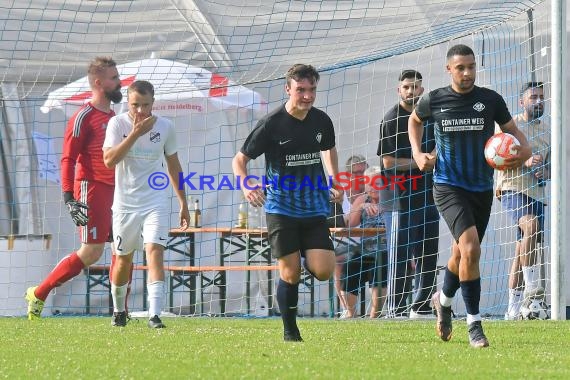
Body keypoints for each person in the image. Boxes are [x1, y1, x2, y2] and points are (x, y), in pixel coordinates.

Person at [408, 44, 532, 348]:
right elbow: (414, 120)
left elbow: (513, 130)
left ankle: (443, 301)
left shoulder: (489, 100)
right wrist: (418, 153)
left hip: (480, 187)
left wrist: (524, 151)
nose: (467, 73)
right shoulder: (434, 99)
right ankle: (475, 324)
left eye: (471, 67)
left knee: (460, 255)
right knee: (471, 248)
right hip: (448, 186)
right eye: (460, 68)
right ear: (449, 69)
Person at [232, 64, 343, 341]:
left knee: (324, 270)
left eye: (312, 90)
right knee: (290, 273)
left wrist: (334, 179)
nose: (307, 96)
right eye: (301, 90)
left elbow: (328, 148)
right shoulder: (271, 124)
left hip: (315, 207)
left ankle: (300, 254)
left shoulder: (321, 120)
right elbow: (239, 160)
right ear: (288, 89)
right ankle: (290, 330)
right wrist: (246, 184)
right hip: (281, 209)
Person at [25, 57, 131, 319]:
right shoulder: (83, 116)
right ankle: (39, 293)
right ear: (98, 82)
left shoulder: (115, 117)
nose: (120, 82)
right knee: (92, 252)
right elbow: (67, 159)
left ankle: (121, 311)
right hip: (91, 188)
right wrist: (69, 196)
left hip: (117, 191)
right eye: (114, 78)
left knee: (123, 248)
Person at [103, 80, 190, 328]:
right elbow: (109, 161)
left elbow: (174, 166)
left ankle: (154, 315)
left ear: (153, 103)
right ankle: (120, 311)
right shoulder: (117, 123)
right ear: (127, 103)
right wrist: (135, 134)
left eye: (145, 105)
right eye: (135, 105)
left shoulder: (165, 126)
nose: (140, 111)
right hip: (125, 204)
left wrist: (182, 201)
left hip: (155, 200)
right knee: (123, 259)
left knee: (155, 251)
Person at [378, 69, 440, 319]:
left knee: (428, 251)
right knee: (400, 254)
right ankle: (396, 308)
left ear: (422, 90)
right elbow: (388, 163)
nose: (411, 91)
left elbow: (438, 147)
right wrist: (420, 161)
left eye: (415, 87)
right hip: (398, 198)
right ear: (399, 90)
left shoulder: (430, 117)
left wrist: (435, 156)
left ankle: (422, 305)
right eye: (406, 87)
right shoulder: (391, 119)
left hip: (428, 194)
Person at [496, 82, 550, 320]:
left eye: (541, 97)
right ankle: (531, 288)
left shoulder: (548, 131)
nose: (538, 101)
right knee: (531, 225)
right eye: (533, 97)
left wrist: (544, 172)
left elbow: (550, 166)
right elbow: (495, 157)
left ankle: (513, 310)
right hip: (512, 187)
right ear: (522, 102)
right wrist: (524, 162)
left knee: (522, 249)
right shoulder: (510, 127)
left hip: (537, 193)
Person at [340, 166, 388, 318]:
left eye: (377, 182)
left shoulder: (392, 198)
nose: (373, 187)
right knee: (349, 265)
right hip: (365, 248)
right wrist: (361, 206)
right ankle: (350, 313)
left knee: (379, 266)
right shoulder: (362, 199)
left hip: (387, 249)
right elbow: (350, 224)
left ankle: (375, 314)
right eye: (369, 183)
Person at [332, 155, 368, 318]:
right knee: (338, 260)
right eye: (357, 173)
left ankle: (379, 311)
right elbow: (337, 222)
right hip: (344, 243)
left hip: (372, 243)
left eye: (364, 172)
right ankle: (348, 310)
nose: (361, 176)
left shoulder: (375, 193)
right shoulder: (340, 196)